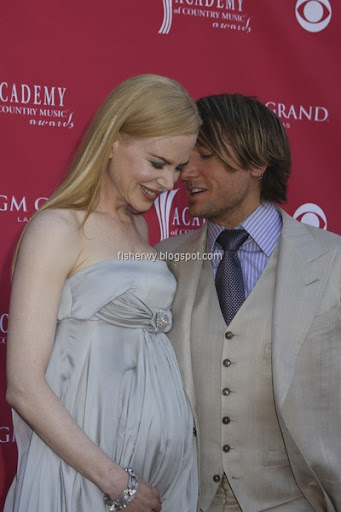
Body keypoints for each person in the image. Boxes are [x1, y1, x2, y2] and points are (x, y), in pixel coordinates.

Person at [4, 74, 201, 512]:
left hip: (157, 483)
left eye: (178, 167)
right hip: (86, 481)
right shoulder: (57, 229)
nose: (169, 183)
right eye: (157, 162)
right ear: (113, 139)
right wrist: (118, 484)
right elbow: (24, 386)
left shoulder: (140, 227)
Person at [157, 94, 341, 512]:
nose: (186, 172)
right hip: (188, 500)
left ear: (258, 164)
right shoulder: (163, 261)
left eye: (205, 155)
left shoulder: (333, 263)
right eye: (186, 157)